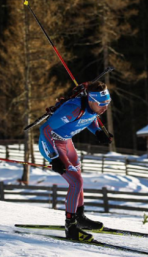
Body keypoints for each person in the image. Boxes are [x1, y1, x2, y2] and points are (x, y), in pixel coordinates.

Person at [38, 81, 113, 242]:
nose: (105, 107)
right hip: (51, 143)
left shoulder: (92, 107)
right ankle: (70, 227)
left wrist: (98, 132)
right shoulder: (73, 109)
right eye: (102, 104)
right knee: (75, 182)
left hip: (66, 142)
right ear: (91, 100)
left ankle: (80, 217)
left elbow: (90, 118)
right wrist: (54, 157)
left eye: (108, 102)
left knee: (79, 179)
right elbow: (45, 129)